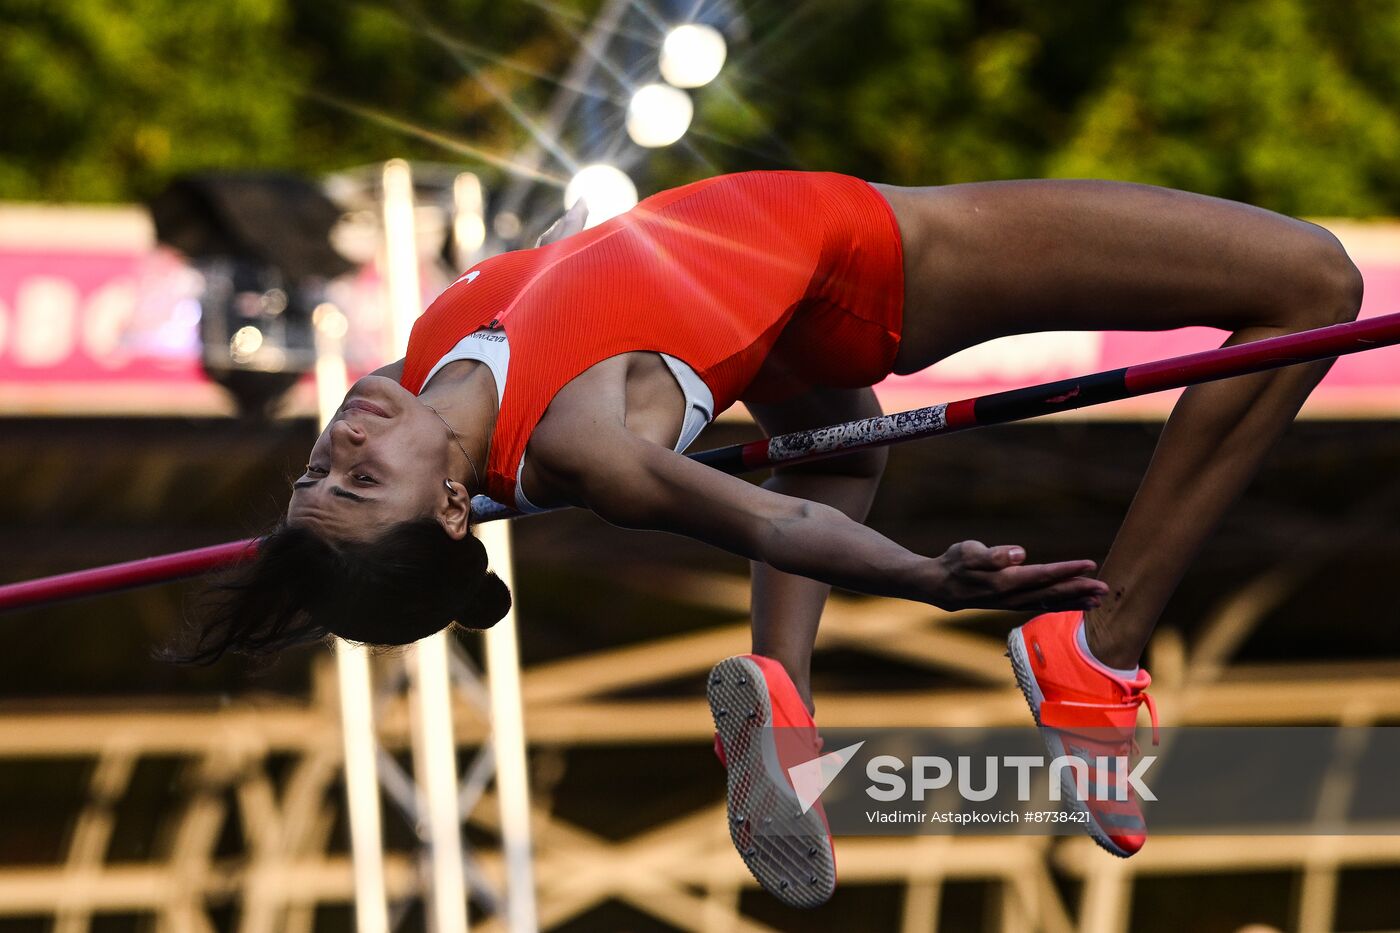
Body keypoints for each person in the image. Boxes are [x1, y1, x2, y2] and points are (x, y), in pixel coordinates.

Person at [174, 170, 1363, 906]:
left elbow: (390, 520)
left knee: (839, 448)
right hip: (874, 265)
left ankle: (779, 702)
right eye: (357, 477)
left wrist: (336, 541)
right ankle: (1097, 653)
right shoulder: (583, 440)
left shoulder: (422, 375)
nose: (340, 440)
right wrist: (925, 580)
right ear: (444, 507)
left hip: (772, 321)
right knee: (1307, 283)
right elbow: (769, 516)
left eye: (314, 470)